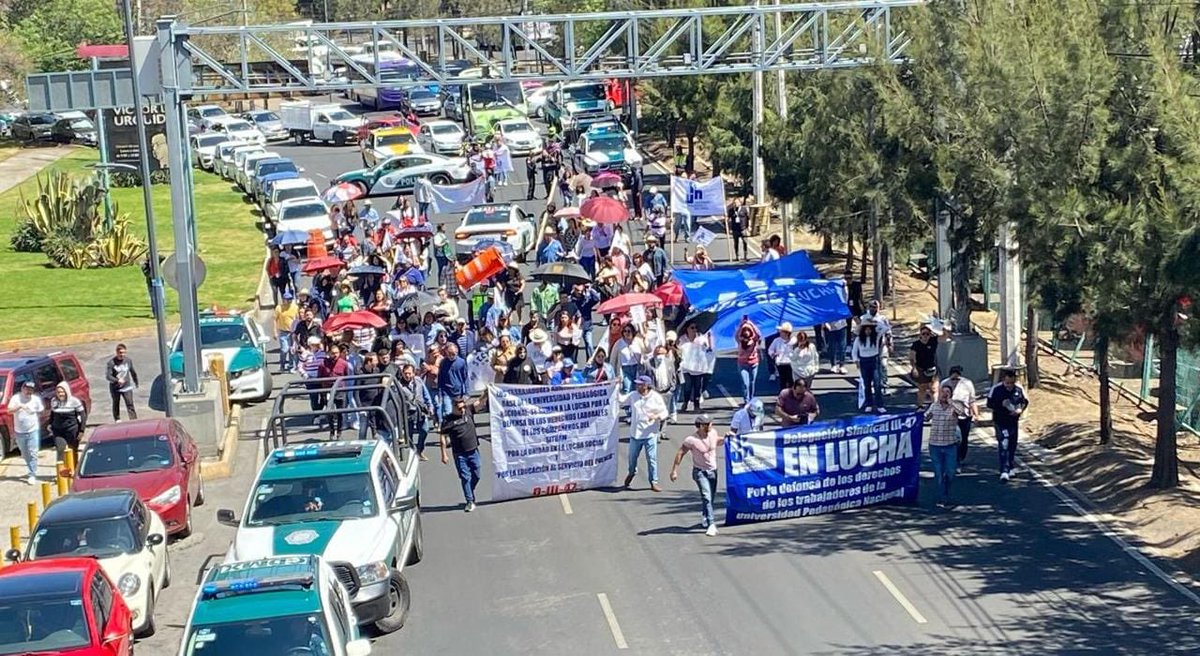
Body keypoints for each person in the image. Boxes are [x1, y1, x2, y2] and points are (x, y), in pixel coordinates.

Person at [669, 414, 724, 536]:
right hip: (700, 472)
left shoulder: (713, 433)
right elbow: (680, 453)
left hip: (713, 471)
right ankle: (711, 524)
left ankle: (705, 515)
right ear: (700, 426)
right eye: (707, 424)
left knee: (711, 498)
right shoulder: (691, 440)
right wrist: (674, 470)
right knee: (706, 496)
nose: (710, 425)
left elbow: (717, 441)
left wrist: (727, 438)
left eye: (710, 423)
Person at [619, 376, 668, 491]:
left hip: (650, 434)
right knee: (632, 458)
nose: (637, 386)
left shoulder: (656, 397)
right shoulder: (633, 395)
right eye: (637, 384)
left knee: (652, 459)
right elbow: (621, 400)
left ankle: (653, 481)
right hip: (635, 434)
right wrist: (614, 387)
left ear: (646, 386)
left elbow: (665, 412)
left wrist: (656, 416)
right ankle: (631, 472)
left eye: (640, 384)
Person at [440, 395, 487, 512]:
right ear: (453, 408)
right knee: (465, 477)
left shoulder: (468, 411)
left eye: (463, 407)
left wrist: (487, 392)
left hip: (473, 450)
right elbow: (442, 437)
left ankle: (469, 491)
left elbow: (479, 402)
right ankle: (470, 501)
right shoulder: (448, 421)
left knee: (477, 474)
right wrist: (444, 454)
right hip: (459, 454)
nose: (462, 410)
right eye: (459, 408)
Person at [987, 369, 1028, 481]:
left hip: (1013, 421)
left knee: (1012, 445)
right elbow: (989, 403)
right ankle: (1004, 470)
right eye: (1007, 383)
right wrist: (1000, 404)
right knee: (1003, 443)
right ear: (1003, 380)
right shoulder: (996, 389)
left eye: (1012, 383)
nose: (1009, 385)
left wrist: (1020, 409)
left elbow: (1024, 401)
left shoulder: (1019, 389)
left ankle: (1010, 465)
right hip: (1000, 421)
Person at [925, 384, 963, 507]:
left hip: (950, 445)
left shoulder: (954, 407)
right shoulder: (934, 406)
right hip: (934, 445)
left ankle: (946, 489)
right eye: (943, 392)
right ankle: (943, 497)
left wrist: (950, 402)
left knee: (950, 472)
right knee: (939, 472)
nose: (944, 394)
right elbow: (926, 417)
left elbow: (962, 412)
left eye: (947, 392)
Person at [942, 365, 980, 469]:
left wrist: (976, 415)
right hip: (950, 417)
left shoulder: (967, 384)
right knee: (955, 439)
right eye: (953, 379)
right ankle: (954, 460)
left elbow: (972, 400)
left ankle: (960, 456)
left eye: (957, 378)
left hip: (965, 415)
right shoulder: (944, 384)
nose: (955, 381)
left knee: (963, 439)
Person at [7, 381, 43, 484]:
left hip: (33, 430)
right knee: (24, 453)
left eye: (31, 389)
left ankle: (32, 474)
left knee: (33, 452)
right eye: (27, 388)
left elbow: (41, 409)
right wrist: (19, 407)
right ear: (22, 388)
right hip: (20, 431)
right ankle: (30, 466)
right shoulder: (16, 398)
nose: (29, 391)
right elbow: (9, 410)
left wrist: (36, 413)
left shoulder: (35, 399)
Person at [397, 363, 434, 458]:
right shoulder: (399, 385)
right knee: (409, 435)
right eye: (405, 373)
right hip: (407, 413)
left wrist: (430, 406)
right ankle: (412, 452)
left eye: (409, 373)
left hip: (420, 410)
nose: (407, 375)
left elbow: (426, 394)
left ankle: (419, 449)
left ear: (413, 373)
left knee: (424, 430)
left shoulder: (418, 381)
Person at [49, 382, 86, 466]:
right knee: (60, 449)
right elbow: (52, 414)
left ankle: (74, 469)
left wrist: (81, 430)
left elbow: (83, 416)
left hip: (72, 429)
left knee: (73, 450)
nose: (60, 394)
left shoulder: (74, 401)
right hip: (58, 430)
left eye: (62, 392)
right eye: (58, 392)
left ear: (66, 391)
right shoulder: (54, 401)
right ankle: (61, 472)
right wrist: (50, 424)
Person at [852, 322, 884, 413]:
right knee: (867, 384)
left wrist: (874, 321)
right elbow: (854, 351)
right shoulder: (859, 339)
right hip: (864, 362)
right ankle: (868, 404)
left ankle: (880, 405)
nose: (868, 331)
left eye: (870, 329)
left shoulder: (876, 337)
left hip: (874, 360)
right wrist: (856, 360)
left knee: (877, 383)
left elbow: (884, 328)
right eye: (866, 329)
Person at [910, 324, 941, 407]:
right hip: (921, 369)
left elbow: (945, 336)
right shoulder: (916, 344)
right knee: (922, 388)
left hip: (932, 368)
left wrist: (940, 326)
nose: (925, 336)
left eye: (927, 334)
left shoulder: (933, 341)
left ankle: (935, 407)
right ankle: (920, 406)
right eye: (923, 334)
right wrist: (914, 368)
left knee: (934, 389)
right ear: (920, 335)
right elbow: (912, 357)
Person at [105, 344, 138, 421]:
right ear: (117, 352)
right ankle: (117, 419)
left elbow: (132, 372)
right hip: (115, 388)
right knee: (116, 403)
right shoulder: (111, 363)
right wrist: (117, 380)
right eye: (120, 352)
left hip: (127, 387)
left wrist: (136, 381)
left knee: (130, 404)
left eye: (124, 353)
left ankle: (133, 420)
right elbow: (108, 376)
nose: (122, 354)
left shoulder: (128, 361)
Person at [735, 317, 762, 403]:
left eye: (748, 330)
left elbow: (759, 334)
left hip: (754, 363)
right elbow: (736, 334)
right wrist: (741, 324)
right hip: (742, 364)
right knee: (745, 383)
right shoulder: (739, 340)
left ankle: (751, 398)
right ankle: (746, 400)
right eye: (744, 330)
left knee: (752, 382)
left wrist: (750, 323)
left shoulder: (754, 339)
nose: (746, 331)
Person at [274, 291, 299, 373]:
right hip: (283, 332)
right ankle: (282, 364)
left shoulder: (295, 307)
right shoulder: (279, 308)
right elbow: (274, 319)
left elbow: (297, 319)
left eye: (290, 299)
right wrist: (275, 331)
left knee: (292, 350)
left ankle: (291, 365)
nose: (289, 301)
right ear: (283, 299)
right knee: (284, 349)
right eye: (287, 299)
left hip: (292, 332)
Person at [767, 322, 795, 388]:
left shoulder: (793, 341)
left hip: (790, 363)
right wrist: (773, 354)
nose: (780, 333)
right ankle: (783, 395)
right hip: (780, 363)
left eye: (782, 331)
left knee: (791, 380)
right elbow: (770, 350)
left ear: (787, 333)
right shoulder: (776, 340)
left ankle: (791, 395)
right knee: (783, 381)